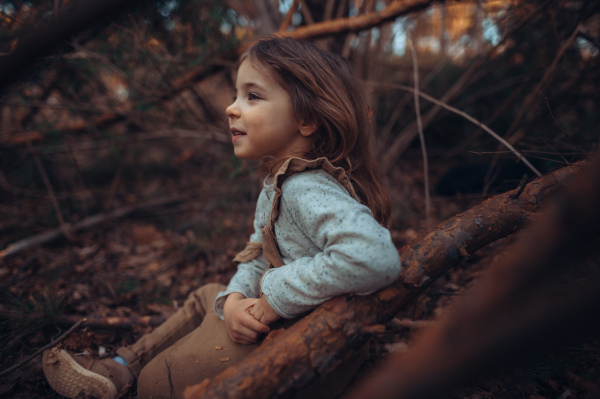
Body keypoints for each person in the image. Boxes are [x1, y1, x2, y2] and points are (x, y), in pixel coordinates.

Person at [42, 36, 401, 399]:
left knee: (156, 384)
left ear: (306, 119)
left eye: (252, 96)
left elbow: (374, 258)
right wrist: (233, 301)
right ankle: (119, 369)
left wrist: (271, 297)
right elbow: (260, 256)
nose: (231, 108)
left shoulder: (307, 188)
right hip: (289, 328)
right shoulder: (279, 184)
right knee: (209, 296)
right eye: (235, 94)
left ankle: (134, 373)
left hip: (305, 347)